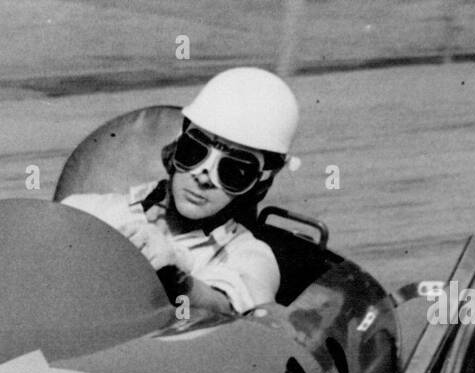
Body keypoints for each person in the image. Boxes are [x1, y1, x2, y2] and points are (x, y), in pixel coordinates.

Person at [62, 67, 299, 320]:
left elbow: (226, 310)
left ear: (258, 184)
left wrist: (174, 275)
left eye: (233, 171)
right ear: (175, 149)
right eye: (194, 152)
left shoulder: (250, 257)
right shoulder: (88, 210)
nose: (202, 176)